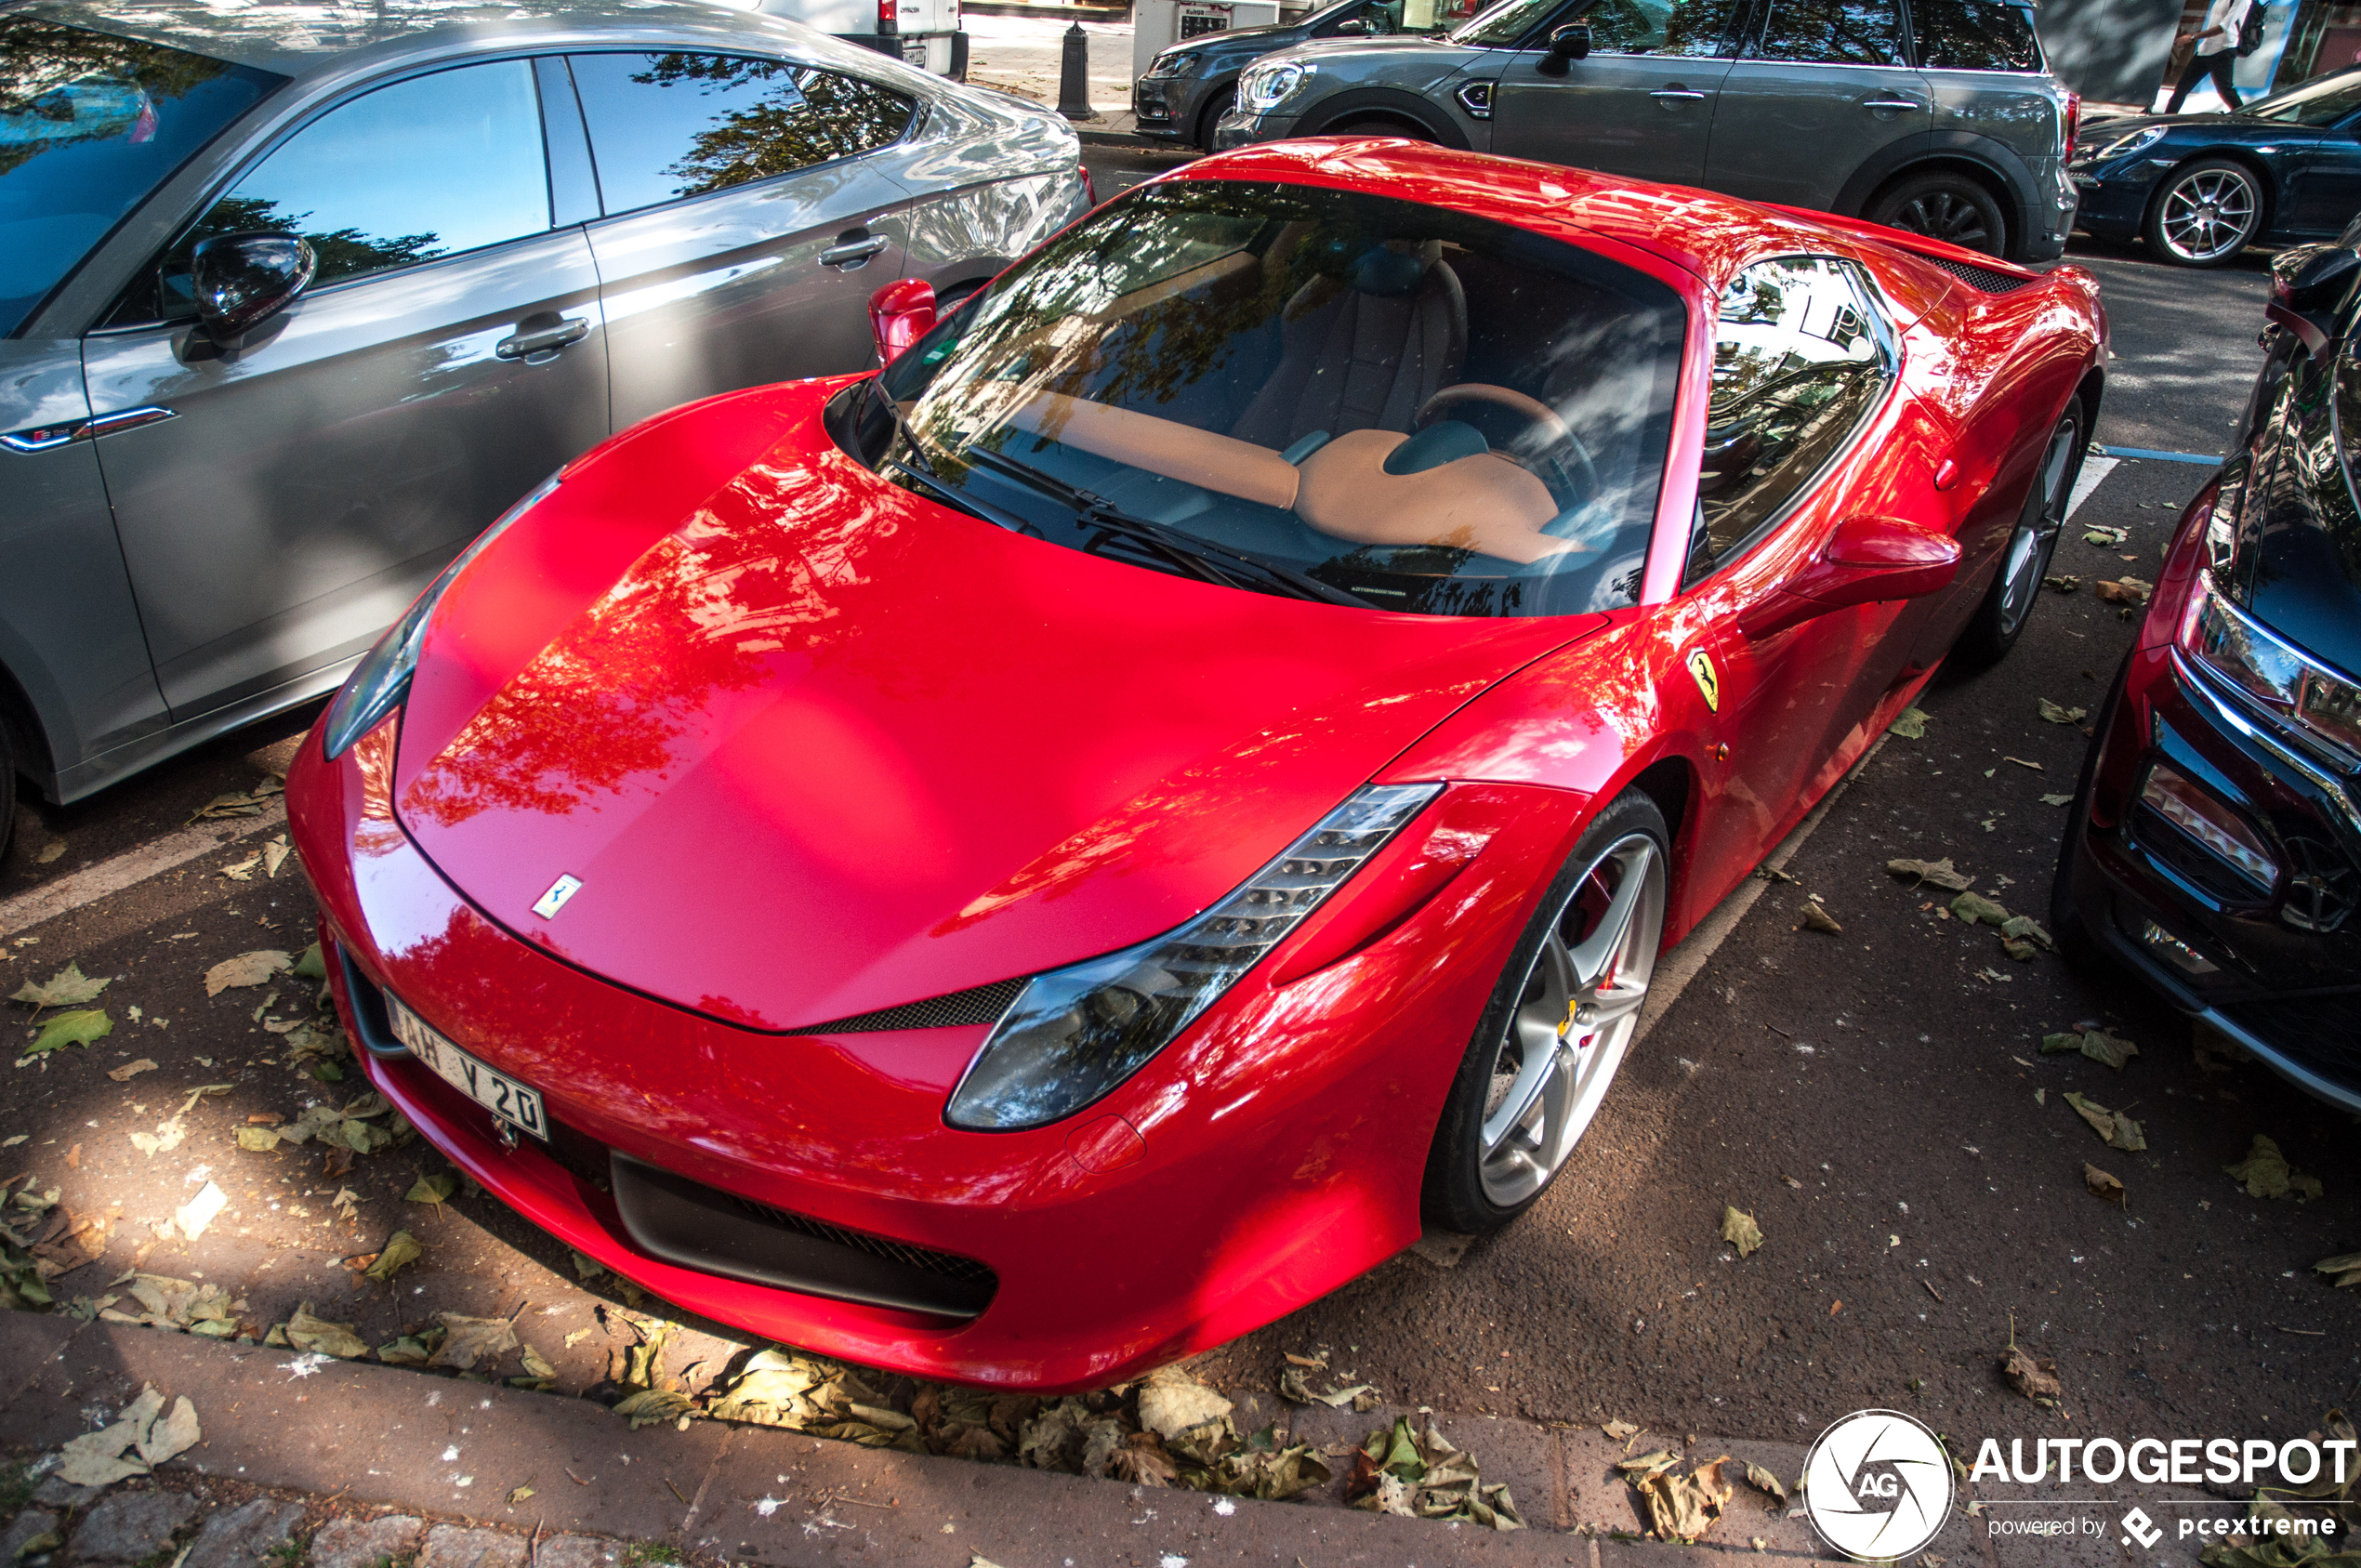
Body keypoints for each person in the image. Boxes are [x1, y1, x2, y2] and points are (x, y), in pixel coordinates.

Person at [2165, 0, 2252, 112]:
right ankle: (2167, 119)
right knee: (2182, 87)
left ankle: (2244, 118)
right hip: (2205, 50)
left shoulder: (2242, 1)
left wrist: (2192, 37)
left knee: (2226, 91)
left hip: (2223, 50)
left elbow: (2223, 27)